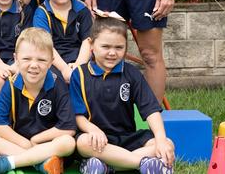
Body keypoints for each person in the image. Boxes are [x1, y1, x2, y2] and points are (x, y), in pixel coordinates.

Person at [69, 15, 174, 174]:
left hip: (127, 137)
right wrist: (93, 130)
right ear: (91, 45)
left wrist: (160, 139)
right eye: (105, 47)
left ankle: (107, 166)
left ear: (126, 47)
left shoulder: (131, 73)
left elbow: (151, 110)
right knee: (82, 142)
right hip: (97, 140)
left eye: (119, 48)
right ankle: (142, 163)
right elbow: (77, 116)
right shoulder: (80, 74)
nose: (112, 53)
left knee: (168, 143)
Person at [0, 28, 76, 174]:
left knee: (68, 143)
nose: (33, 65)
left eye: (42, 60)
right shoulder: (12, 84)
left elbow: (67, 128)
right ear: (16, 59)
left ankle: (9, 162)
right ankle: (41, 162)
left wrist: (37, 139)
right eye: (26, 59)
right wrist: (26, 143)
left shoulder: (58, 84)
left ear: (51, 62)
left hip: (48, 144)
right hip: (21, 143)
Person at [33, 0, 92, 82]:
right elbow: (45, 46)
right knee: (51, 79)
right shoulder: (42, 13)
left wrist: (78, 66)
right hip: (53, 59)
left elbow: (88, 41)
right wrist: (64, 69)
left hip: (79, 57)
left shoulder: (82, 10)